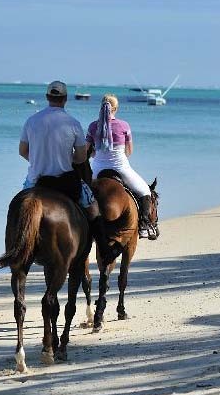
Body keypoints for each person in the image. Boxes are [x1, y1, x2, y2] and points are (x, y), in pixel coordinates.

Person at [19, 81, 121, 264]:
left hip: (36, 180)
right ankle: (105, 250)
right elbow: (81, 157)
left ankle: (15, 248)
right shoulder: (73, 124)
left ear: (47, 97)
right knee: (93, 207)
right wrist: (65, 160)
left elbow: (23, 151)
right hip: (64, 181)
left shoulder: (31, 121)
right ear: (65, 99)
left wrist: (38, 161)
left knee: (19, 209)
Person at [86, 94, 156, 239]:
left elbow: (88, 151)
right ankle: (143, 226)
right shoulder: (124, 125)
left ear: (101, 107)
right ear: (116, 108)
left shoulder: (93, 126)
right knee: (145, 192)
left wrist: (97, 154)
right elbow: (129, 152)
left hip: (97, 169)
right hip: (120, 167)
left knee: (81, 193)